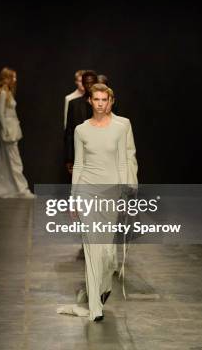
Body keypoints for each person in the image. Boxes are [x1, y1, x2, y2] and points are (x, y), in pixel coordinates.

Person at [57, 83, 137, 321]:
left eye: (105, 99)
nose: (101, 104)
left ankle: (102, 289)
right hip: (87, 194)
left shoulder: (121, 128)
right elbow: (79, 164)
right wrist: (73, 199)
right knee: (92, 251)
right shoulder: (81, 130)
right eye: (97, 99)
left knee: (107, 255)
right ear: (89, 101)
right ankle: (95, 308)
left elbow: (123, 162)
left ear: (110, 101)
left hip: (111, 193)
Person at [0, 67, 33, 198]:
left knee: (10, 159)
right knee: (13, 159)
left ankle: (15, 186)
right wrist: (6, 129)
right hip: (8, 128)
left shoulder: (8, 92)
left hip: (12, 126)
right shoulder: (3, 92)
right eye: (13, 77)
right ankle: (19, 187)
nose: (15, 80)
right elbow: (1, 113)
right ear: (7, 78)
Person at [64, 70, 98, 174]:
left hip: (101, 150)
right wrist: (69, 158)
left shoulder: (105, 103)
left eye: (91, 83)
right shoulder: (74, 104)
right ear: (82, 84)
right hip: (81, 152)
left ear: (96, 83)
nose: (89, 86)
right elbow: (69, 132)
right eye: (86, 83)